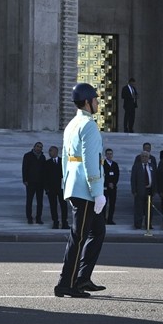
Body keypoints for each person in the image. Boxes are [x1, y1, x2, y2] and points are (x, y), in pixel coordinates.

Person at [54, 83, 106, 298]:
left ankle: (83, 277)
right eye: (95, 99)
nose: (97, 103)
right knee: (79, 236)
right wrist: (97, 191)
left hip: (75, 185)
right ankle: (66, 283)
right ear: (87, 102)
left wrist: (66, 184)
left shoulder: (72, 124)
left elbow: (65, 159)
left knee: (97, 231)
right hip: (86, 189)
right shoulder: (89, 125)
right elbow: (91, 161)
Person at [44, 145, 69, 229]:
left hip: (62, 188)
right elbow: (44, 176)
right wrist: (46, 188)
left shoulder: (63, 162)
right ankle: (55, 222)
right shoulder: (47, 163)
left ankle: (64, 222)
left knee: (64, 206)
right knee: (53, 206)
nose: (49, 153)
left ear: (56, 152)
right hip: (51, 189)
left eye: (51, 151)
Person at [21, 142, 45, 224]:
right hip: (30, 182)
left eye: (40, 147)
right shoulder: (28, 156)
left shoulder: (42, 157)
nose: (39, 148)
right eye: (37, 146)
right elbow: (24, 168)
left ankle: (38, 218)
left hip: (40, 183)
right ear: (34, 147)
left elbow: (44, 170)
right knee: (29, 201)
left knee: (40, 202)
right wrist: (25, 179)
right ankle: (29, 218)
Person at [130, 151, 154, 229]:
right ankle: (138, 224)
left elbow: (154, 177)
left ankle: (148, 224)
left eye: (146, 156)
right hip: (139, 190)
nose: (144, 158)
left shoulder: (152, 166)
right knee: (139, 208)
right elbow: (133, 179)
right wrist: (134, 190)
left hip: (149, 190)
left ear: (148, 158)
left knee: (149, 209)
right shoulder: (136, 166)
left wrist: (155, 189)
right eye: (143, 156)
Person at [102, 148, 119, 224]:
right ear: (105, 155)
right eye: (108, 154)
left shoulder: (115, 164)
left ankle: (110, 219)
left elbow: (117, 175)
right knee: (104, 204)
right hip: (105, 187)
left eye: (110, 154)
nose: (109, 155)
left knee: (112, 204)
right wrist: (107, 183)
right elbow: (102, 175)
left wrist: (113, 183)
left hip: (113, 187)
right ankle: (103, 219)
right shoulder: (102, 164)